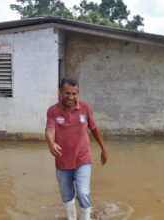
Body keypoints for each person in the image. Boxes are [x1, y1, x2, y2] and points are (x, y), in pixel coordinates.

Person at [45, 77, 108, 220]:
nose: (71, 97)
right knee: (66, 195)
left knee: (83, 193)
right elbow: (49, 130)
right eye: (67, 93)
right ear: (61, 91)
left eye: (74, 93)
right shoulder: (53, 111)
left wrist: (103, 148)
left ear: (78, 92)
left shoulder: (85, 108)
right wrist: (51, 143)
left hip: (82, 159)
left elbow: (94, 128)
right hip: (62, 161)